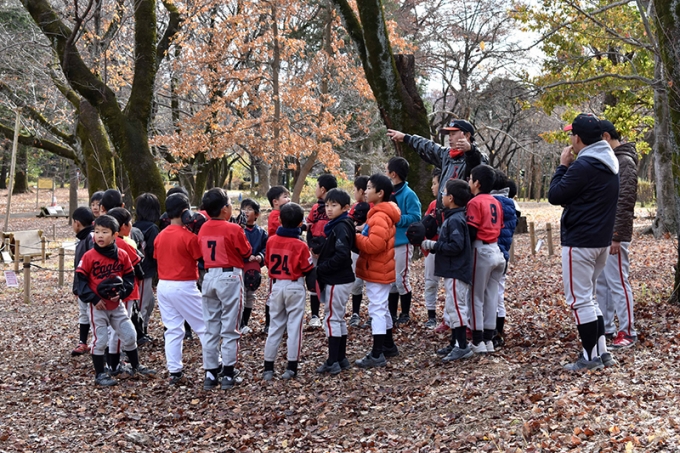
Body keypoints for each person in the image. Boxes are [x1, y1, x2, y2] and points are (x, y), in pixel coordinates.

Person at [548, 113, 620, 371]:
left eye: (571, 135)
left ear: (578, 138)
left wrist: (562, 166)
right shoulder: (610, 162)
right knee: (589, 299)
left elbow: (555, 195)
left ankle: (590, 357)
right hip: (600, 241)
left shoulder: (583, 165)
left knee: (580, 301)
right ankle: (602, 352)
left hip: (580, 241)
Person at [75, 215, 155, 386]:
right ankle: (100, 374)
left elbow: (129, 276)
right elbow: (80, 280)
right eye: (97, 232)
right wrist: (93, 298)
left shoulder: (122, 254)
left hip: (117, 305)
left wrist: (122, 292)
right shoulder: (89, 256)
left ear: (115, 235)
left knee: (130, 335)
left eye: (105, 232)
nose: (100, 235)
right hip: (98, 307)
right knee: (101, 340)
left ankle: (136, 366)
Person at [198, 188, 252, 390]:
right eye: (229, 204)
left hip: (209, 276)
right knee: (230, 326)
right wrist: (240, 229)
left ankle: (210, 373)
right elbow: (246, 251)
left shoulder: (203, 228)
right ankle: (228, 373)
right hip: (229, 276)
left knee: (211, 327)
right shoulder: (233, 229)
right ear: (224, 209)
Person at [414, 179, 474, 361]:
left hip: (456, 269)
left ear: (451, 198)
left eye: (444, 193)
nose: (442, 196)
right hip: (452, 269)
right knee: (451, 306)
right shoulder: (453, 217)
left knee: (457, 307)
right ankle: (455, 342)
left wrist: (433, 245)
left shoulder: (455, 220)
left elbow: (456, 246)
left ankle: (462, 346)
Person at [153, 193, 207, 385]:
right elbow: (201, 258)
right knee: (204, 327)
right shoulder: (189, 237)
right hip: (184, 285)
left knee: (173, 330)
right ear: (186, 212)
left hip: (164, 285)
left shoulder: (160, 236)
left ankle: (175, 371)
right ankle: (214, 366)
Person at [596, 120, 638, 349]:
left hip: (616, 234)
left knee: (618, 281)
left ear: (605, 136)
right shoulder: (612, 160)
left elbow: (625, 202)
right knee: (603, 282)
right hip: (605, 232)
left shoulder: (625, 161)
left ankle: (628, 331)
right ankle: (607, 327)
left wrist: (616, 235)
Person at [262, 202, 315, 381]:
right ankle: (291, 367)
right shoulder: (300, 245)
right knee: (294, 327)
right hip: (294, 285)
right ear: (301, 223)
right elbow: (307, 268)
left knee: (275, 326)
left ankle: (268, 367)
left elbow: (268, 262)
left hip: (277, 285)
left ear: (279, 220)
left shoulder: (271, 241)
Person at [386, 119, 484, 214]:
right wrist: (406, 138)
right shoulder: (447, 155)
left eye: (453, 134)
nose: (450, 138)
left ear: (467, 135)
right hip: (443, 214)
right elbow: (429, 147)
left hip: (464, 216)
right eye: (449, 135)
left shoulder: (480, 157)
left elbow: (475, 164)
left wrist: (470, 151)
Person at [354, 174, 401, 368]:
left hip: (378, 268)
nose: (365, 191)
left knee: (377, 310)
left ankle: (376, 353)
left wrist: (355, 237)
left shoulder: (380, 216)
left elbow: (375, 245)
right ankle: (388, 345)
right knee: (382, 307)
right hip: (379, 267)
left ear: (380, 193)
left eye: (369, 188)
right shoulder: (379, 213)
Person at [314, 189, 356, 375]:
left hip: (337, 279)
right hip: (341, 278)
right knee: (338, 317)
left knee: (331, 318)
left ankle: (332, 361)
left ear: (345, 208)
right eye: (327, 205)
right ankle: (340, 358)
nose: (329, 209)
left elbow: (342, 254)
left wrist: (321, 268)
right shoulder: (340, 224)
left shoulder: (340, 226)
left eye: (334, 205)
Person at [466, 164, 506, 354]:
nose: (468, 182)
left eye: (470, 178)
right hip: (496, 249)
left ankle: (478, 340)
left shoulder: (475, 202)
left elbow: (472, 230)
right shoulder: (496, 201)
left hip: (481, 249)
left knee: (475, 296)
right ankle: (489, 339)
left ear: (477, 183)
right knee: (491, 296)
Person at [105, 207, 146, 373]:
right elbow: (137, 267)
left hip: (109, 292)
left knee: (111, 329)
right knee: (121, 327)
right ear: (122, 226)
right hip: (126, 292)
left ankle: (112, 362)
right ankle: (115, 364)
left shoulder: (102, 245)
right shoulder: (122, 244)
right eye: (130, 223)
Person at [385, 157, 421, 325]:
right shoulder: (387, 193)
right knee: (391, 281)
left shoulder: (409, 194)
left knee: (401, 279)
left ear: (393, 174)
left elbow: (416, 217)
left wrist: (397, 219)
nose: (386, 174)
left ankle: (405, 313)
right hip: (389, 243)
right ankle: (392, 313)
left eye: (387, 171)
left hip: (403, 243)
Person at [490, 170, 518, 348]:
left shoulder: (489, 203)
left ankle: (488, 331)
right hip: (504, 254)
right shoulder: (511, 205)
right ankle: (498, 332)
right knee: (499, 293)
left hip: (490, 252)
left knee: (487, 293)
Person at [305, 174, 338, 328]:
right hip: (315, 250)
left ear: (323, 189)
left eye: (317, 186)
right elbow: (309, 227)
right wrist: (311, 246)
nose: (315, 189)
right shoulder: (315, 208)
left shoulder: (335, 208)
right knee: (314, 280)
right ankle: (314, 315)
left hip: (330, 251)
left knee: (330, 282)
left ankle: (329, 315)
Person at [133, 193, 161, 345]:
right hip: (145, 271)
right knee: (143, 303)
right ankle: (140, 333)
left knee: (148, 302)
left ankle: (142, 330)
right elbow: (153, 251)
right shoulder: (152, 229)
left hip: (136, 270)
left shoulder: (133, 226)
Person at [239, 198, 268, 335]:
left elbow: (266, 248)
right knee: (240, 295)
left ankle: (245, 322)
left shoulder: (261, 232)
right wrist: (246, 256)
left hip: (254, 269)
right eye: (244, 209)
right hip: (240, 267)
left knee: (250, 295)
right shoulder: (238, 230)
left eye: (249, 209)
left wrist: (260, 256)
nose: (246, 212)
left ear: (257, 214)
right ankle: (240, 323)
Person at [71, 206, 95, 356]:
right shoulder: (81, 240)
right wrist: (77, 287)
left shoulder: (91, 237)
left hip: (91, 285)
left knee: (93, 314)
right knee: (83, 313)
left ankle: (98, 344)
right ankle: (83, 342)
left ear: (77, 223)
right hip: (82, 285)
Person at [347, 175, 371, 328]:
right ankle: (355, 313)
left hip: (370, 250)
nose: (354, 193)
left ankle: (372, 314)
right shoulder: (355, 207)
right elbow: (349, 222)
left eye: (355, 190)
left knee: (372, 284)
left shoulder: (372, 207)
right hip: (356, 249)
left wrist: (363, 227)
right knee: (356, 282)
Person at [422, 168, 443, 328]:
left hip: (448, 250)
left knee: (450, 285)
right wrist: (425, 247)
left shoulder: (454, 205)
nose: (432, 187)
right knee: (430, 283)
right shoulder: (433, 205)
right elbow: (424, 227)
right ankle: (431, 315)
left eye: (435, 183)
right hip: (432, 249)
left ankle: (450, 318)